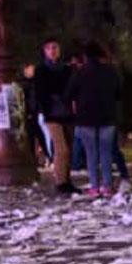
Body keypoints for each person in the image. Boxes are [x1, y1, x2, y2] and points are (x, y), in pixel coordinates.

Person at [65, 41, 120, 197]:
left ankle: (94, 187)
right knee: (106, 153)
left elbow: (68, 95)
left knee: (91, 154)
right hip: (107, 117)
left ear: (85, 56)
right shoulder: (111, 72)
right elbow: (118, 94)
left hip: (85, 118)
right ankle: (108, 187)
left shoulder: (80, 73)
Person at [35, 39, 75, 192]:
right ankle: (60, 182)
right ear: (44, 51)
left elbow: (72, 89)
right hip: (52, 114)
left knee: (69, 149)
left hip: (67, 113)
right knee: (61, 149)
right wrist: (47, 109)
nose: (52, 51)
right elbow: (41, 93)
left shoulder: (66, 69)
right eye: (49, 48)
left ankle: (67, 179)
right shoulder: (41, 70)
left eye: (55, 47)